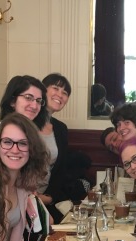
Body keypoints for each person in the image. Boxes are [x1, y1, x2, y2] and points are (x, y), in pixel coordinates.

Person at [0, 112, 51, 241]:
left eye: (23, 143)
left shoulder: (22, 185)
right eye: (7, 142)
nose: (14, 149)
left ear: (32, 148)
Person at [38, 73, 91, 222]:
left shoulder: (61, 128)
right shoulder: (26, 123)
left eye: (65, 93)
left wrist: (49, 198)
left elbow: (59, 169)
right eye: (55, 88)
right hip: (22, 197)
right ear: (42, 90)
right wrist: (33, 198)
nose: (60, 95)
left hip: (47, 198)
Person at [0, 75, 48, 146]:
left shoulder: (33, 132)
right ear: (12, 101)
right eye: (28, 98)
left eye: (38, 101)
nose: (34, 106)